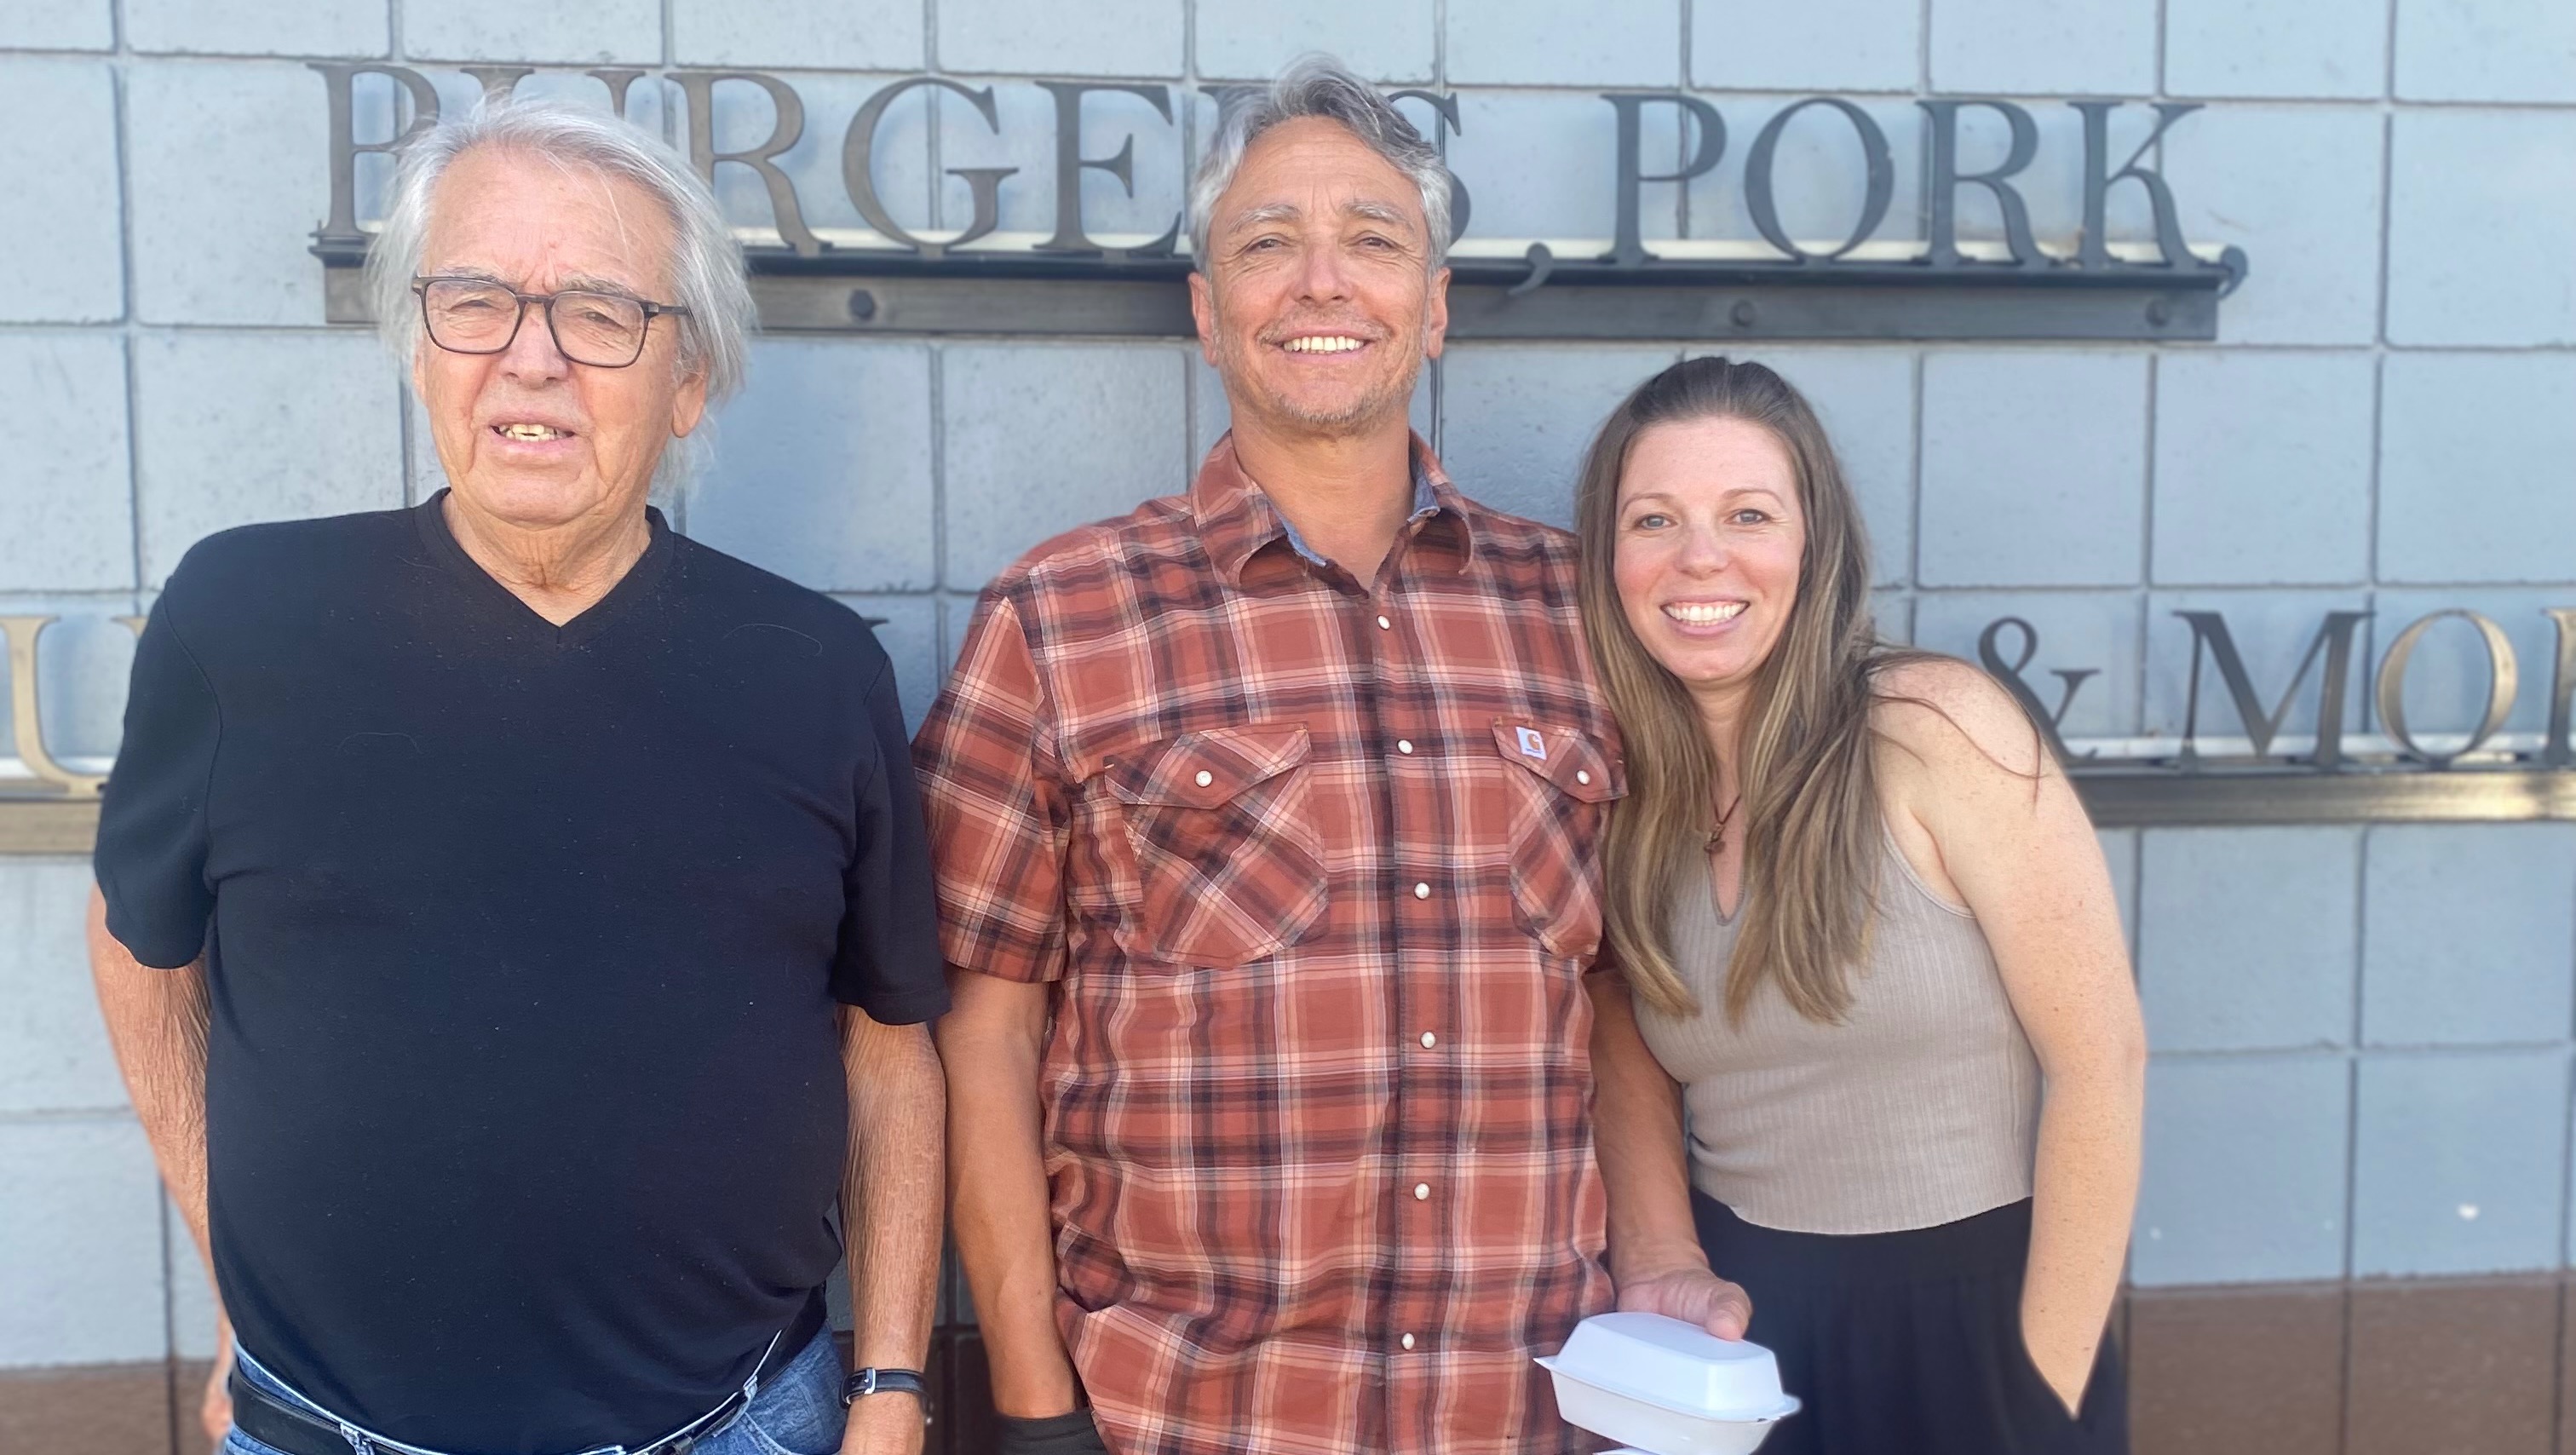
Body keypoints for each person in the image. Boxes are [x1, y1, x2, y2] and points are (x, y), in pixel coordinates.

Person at [87, 100, 948, 1455]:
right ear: (419, 347)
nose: (530, 360)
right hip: (324, 1430)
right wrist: (233, 1262)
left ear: (688, 382)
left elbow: (889, 1054)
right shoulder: (240, 619)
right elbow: (139, 950)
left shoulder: (816, 669)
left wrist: (892, 1386)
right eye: (477, 300)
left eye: (601, 313)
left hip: (741, 1424)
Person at [915, 55, 1747, 1455]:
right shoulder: (1060, 618)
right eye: (1266, 245)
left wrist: (1661, 1256)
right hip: (1185, 1416)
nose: (1320, 283)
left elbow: (1614, 985)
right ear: (1206, 313)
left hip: (1528, 1410)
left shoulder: (1579, 612)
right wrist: (1032, 1402)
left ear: (1435, 307)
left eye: (1372, 241)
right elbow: (978, 1030)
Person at [1577, 356, 2148, 1454]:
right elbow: (1614, 1020)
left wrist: (2043, 1388)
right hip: (1747, 1337)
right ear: (1611, 561)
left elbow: (2102, 1065)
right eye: (1654, 520)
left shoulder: (1935, 729)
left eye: (1749, 514)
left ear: (1815, 543)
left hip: (1977, 1328)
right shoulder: (1630, 796)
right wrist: (1666, 1258)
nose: (1701, 557)